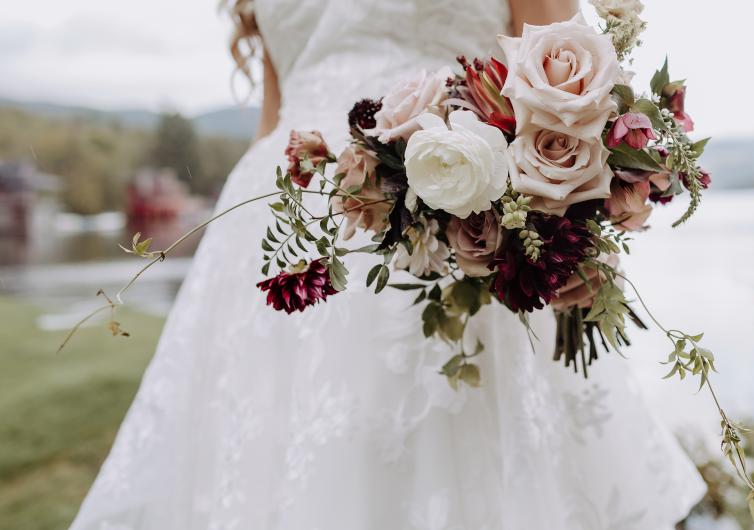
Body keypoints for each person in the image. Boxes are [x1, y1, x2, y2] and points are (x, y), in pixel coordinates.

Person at [70, 1, 705, 528]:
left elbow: (275, 118)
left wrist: (557, 214)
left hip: (373, 190)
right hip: (372, 197)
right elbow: (566, 78)